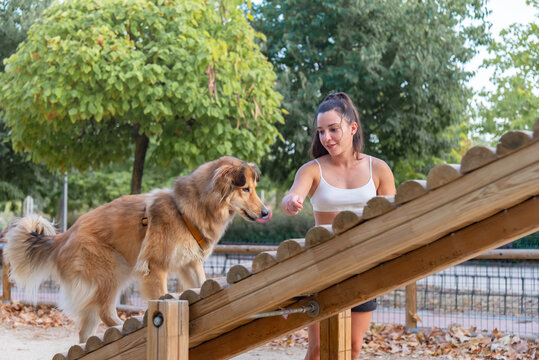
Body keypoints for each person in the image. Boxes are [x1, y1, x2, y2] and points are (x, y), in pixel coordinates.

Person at [281, 92, 396, 360]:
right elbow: (293, 194)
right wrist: (290, 201)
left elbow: (392, 218)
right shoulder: (311, 169)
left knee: (352, 348)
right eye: (321, 131)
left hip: (362, 266)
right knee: (318, 349)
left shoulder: (378, 169)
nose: (326, 138)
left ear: (352, 127)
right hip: (323, 266)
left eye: (334, 129)